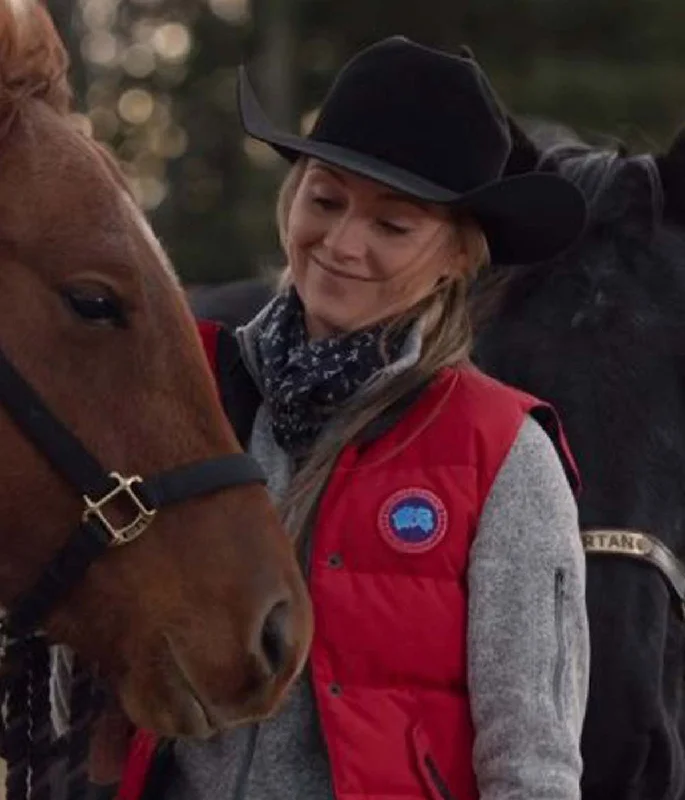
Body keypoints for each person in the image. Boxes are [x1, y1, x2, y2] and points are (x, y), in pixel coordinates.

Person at [116, 35, 590, 800]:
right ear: (290, 198)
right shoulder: (190, 389)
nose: (340, 245)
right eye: (325, 200)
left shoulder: (503, 454)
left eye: (392, 227)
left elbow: (531, 767)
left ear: (456, 259)